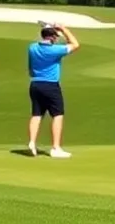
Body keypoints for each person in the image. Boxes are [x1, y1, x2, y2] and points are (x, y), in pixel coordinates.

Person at [26, 23, 80, 158]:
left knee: (37, 114)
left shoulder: (32, 48)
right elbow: (75, 44)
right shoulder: (55, 50)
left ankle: (32, 142)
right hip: (50, 85)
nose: (57, 39)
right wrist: (64, 29)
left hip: (35, 84)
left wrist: (52, 30)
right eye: (55, 37)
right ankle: (56, 147)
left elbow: (31, 69)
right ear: (52, 37)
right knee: (58, 115)